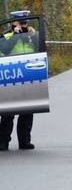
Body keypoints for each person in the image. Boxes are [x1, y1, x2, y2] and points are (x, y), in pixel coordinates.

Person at [0, 10, 38, 151]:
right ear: (12, 23)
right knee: (8, 113)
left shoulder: (30, 35)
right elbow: (5, 50)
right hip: (11, 76)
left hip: (28, 76)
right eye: (20, 23)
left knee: (27, 111)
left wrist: (33, 36)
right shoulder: (7, 35)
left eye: (25, 22)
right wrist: (15, 35)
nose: (23, 25)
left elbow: (39, 50)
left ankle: (24, 141)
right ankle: (3, 142)